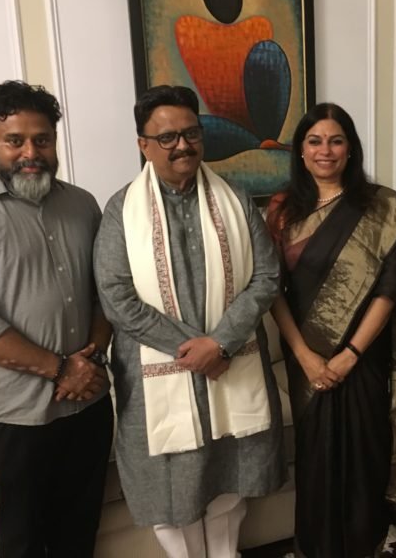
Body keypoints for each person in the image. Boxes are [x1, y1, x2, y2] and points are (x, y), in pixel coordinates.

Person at [93, 85, 285, 558]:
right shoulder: (121, 211)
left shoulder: (235, 199)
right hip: (158, 375)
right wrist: (195, 350)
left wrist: (219, 344)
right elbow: (117, 298)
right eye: (167, 137)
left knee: (228, 482)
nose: (183, 145)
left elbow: (267, 275)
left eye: (191, 133)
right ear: (143, 145)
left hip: (229, 363)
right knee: (171, 491)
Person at [0, 80, 114, 557]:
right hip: (17, 414)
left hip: (88, 403)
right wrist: (62, 370)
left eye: (42, 139)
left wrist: (89, 362)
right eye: (15, 140)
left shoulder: (83, 205)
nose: (31, 153)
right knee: (24, 539)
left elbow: (104, 294)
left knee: (80, 532)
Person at [265, 102, 396, 558]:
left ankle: (365, 548)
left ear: (350, 149)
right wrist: (305, 356)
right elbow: (272, 291)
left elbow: (391, 289)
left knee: (365, 458)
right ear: (301, 150)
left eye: (336, 140)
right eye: (315, 141)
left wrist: (351, 354)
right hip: (306, 358)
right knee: (316, 463)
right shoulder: (282, 210)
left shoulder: (381, 208)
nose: (325, 150)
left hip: (363, 358)